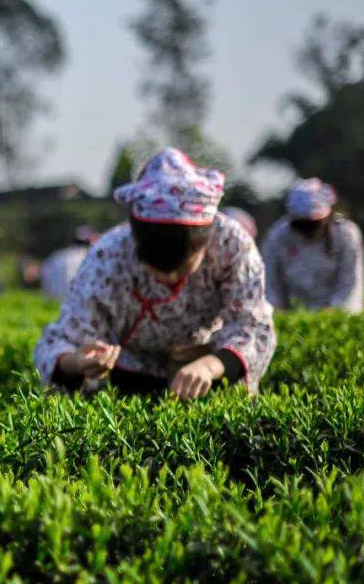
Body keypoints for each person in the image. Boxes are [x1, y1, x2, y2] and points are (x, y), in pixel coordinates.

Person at [33, 147, 276, 399]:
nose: (165, 279)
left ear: (202, 244)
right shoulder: (109, 255)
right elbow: (63, 337)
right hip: (131, 379)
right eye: (154, 266)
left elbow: (252, 325)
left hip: (210, 372)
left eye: (181, 267)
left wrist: (209, 366)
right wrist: (76, 362)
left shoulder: (232, 244)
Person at [260, 178, 364, 314]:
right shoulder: (277, 236)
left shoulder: (346, 234)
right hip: (298, 310)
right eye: (304, 223)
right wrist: (277, 312)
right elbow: (271, 283)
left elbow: (350, 281)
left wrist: (334, 311)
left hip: (337, 311)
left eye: (314, 223)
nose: (309, 229)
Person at [40, 225, 97, 301]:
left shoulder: (55, 257)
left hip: (52, 304)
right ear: (92, 240)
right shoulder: (93, 259)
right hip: (78, 303)